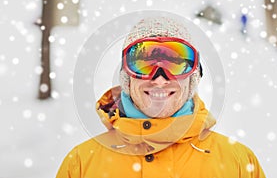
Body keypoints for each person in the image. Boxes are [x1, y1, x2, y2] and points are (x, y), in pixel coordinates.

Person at [56, 17, 266, 178]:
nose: (159, 79)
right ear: (126, 77)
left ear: (193, 78)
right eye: (143, 63)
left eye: (175, 64)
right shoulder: (82, 164)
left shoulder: (237, 163)